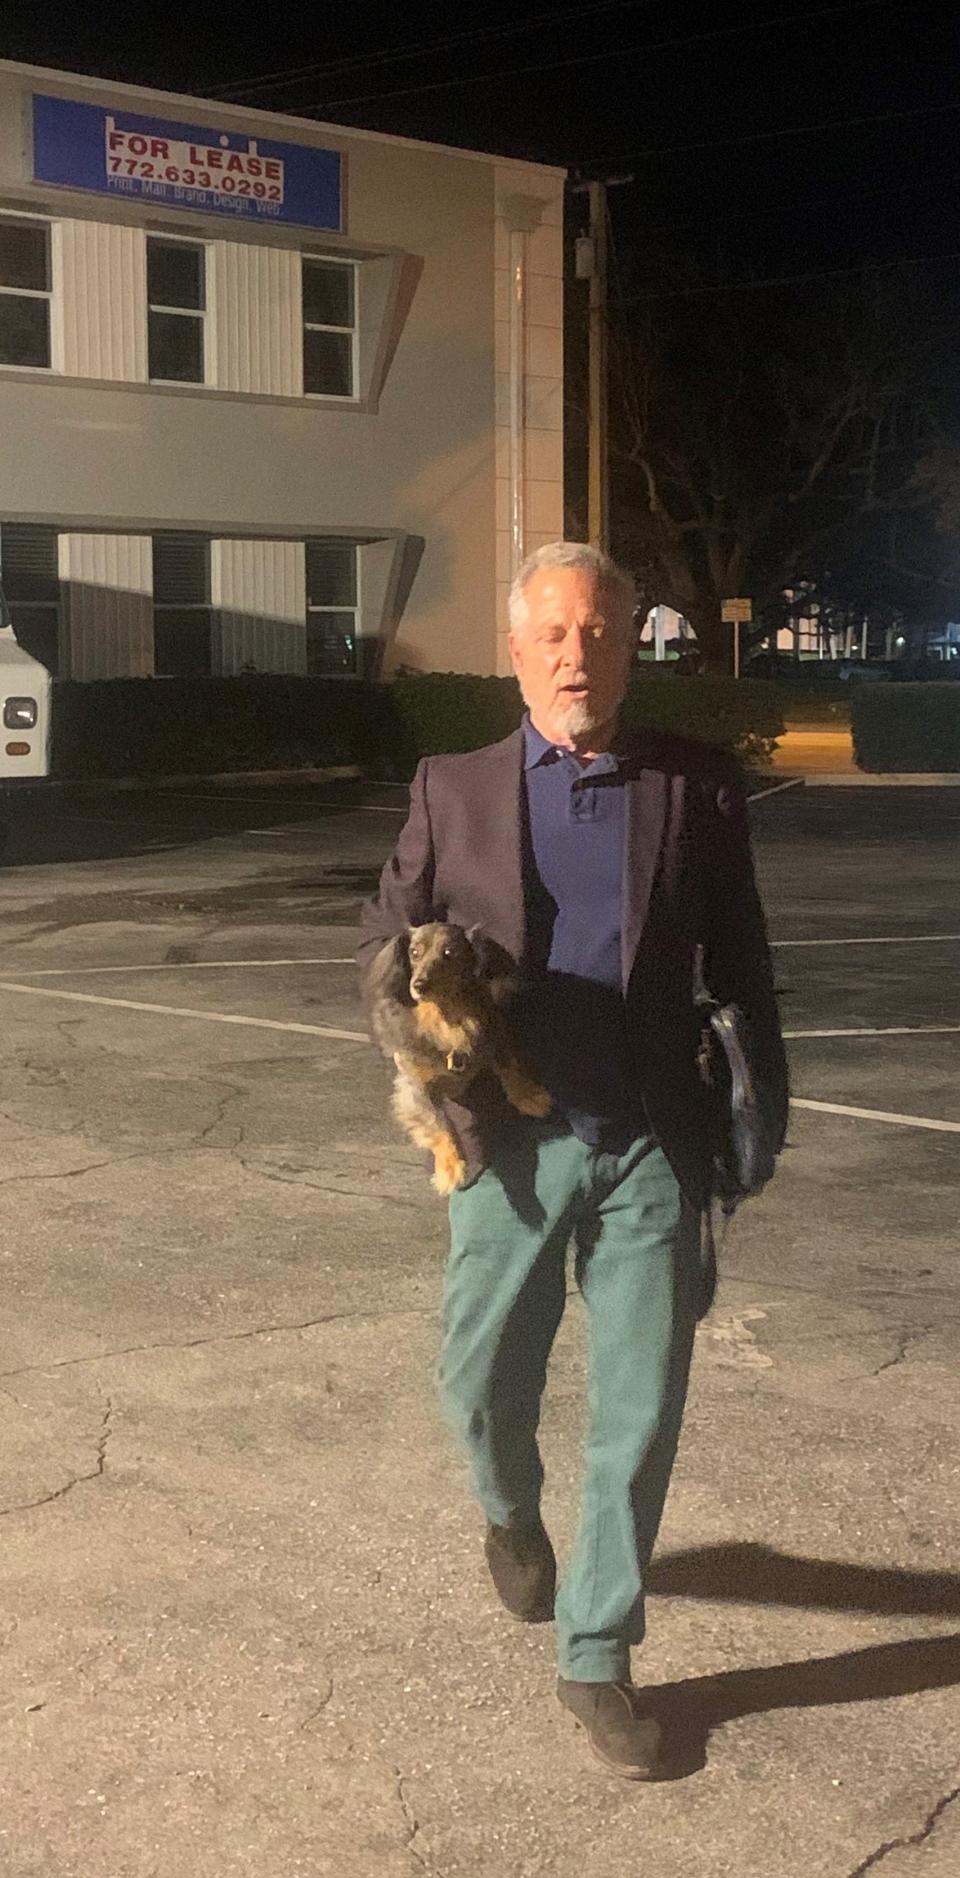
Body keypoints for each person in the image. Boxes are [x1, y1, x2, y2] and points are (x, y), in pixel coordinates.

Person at [357, 542, 787, 1780]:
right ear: (517, 649)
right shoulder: (458, 785)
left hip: (655, 1136)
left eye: (599, 632)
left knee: (640, 1407)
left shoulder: (695, 788)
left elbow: (745, 962)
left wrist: (764, 1107)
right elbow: (384, 934)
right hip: (511, 1139)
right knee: (479, 1381)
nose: (576, 653)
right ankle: (509, 1514)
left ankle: (597, 1653)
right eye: (553, 633)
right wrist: (407, 1000)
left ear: (629, 642)